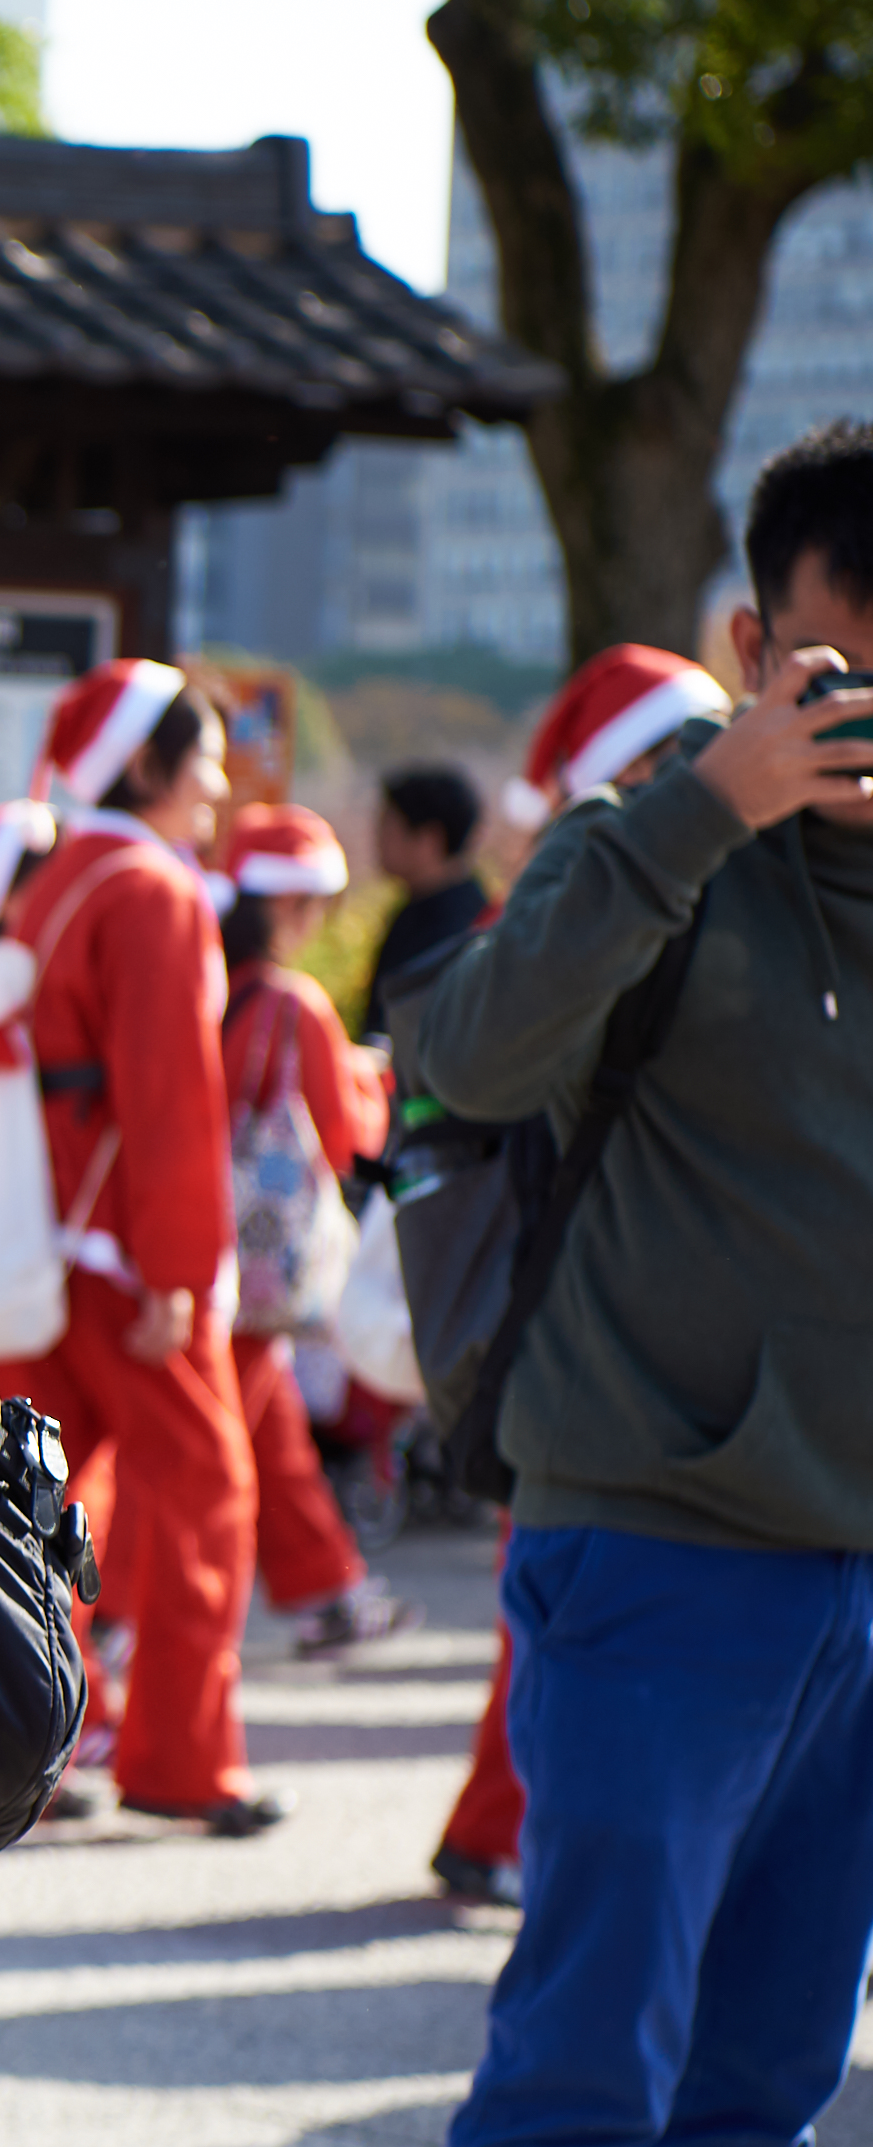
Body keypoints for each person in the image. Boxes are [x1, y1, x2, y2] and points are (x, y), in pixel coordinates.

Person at [400, 419, 873, 2147]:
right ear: (753, 647)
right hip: (656, 1542)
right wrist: (711, 799)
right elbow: (460, 1054)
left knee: (766, 2073)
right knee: (590, 2052)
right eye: (831, 673)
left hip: (859, 1572)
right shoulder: (659, 842)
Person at [423, 647, 732, 1916]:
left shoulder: (563, 899)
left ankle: (500, 1826)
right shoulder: (583, 907)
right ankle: (505, 1831)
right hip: (579, 1311)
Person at [0, 661, 279, 1836]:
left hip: (44, 1245)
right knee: (204, 1492)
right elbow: (170, 1098)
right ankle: (184, 1761)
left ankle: (16, 1755)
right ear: (146, 765)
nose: (216, 782)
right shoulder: (153, 887)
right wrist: (182, 1274)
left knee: (31, 1508)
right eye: (199, 757)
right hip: (122, 1254)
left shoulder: (52, 882)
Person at [214, 802, 415, 1658]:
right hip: (265, 1259)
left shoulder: (207, 980)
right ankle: (114, 1622)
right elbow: (345, 1135)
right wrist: (369, 1081)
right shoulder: (295, 1002)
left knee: (264, 1429)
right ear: (295, 906)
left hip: (200, 1239)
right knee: (233, 1440)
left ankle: (330, 1589)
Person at [368, 762, 491, 1025]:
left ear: (428, 839)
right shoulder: (416, 907)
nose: (376, 839)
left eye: (387, 826)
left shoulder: (463, 927)